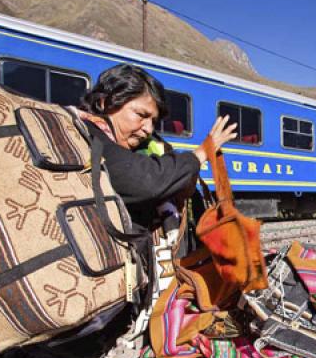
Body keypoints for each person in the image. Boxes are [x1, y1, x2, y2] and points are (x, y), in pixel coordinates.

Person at [74, 63, 237, 234]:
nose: (148, 129)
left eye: (153, 121)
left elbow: (182, 188)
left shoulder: (150, 145)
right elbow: (146, 181)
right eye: (141, 115)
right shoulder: (87, 137)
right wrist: (202, 152)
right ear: (105, 102)